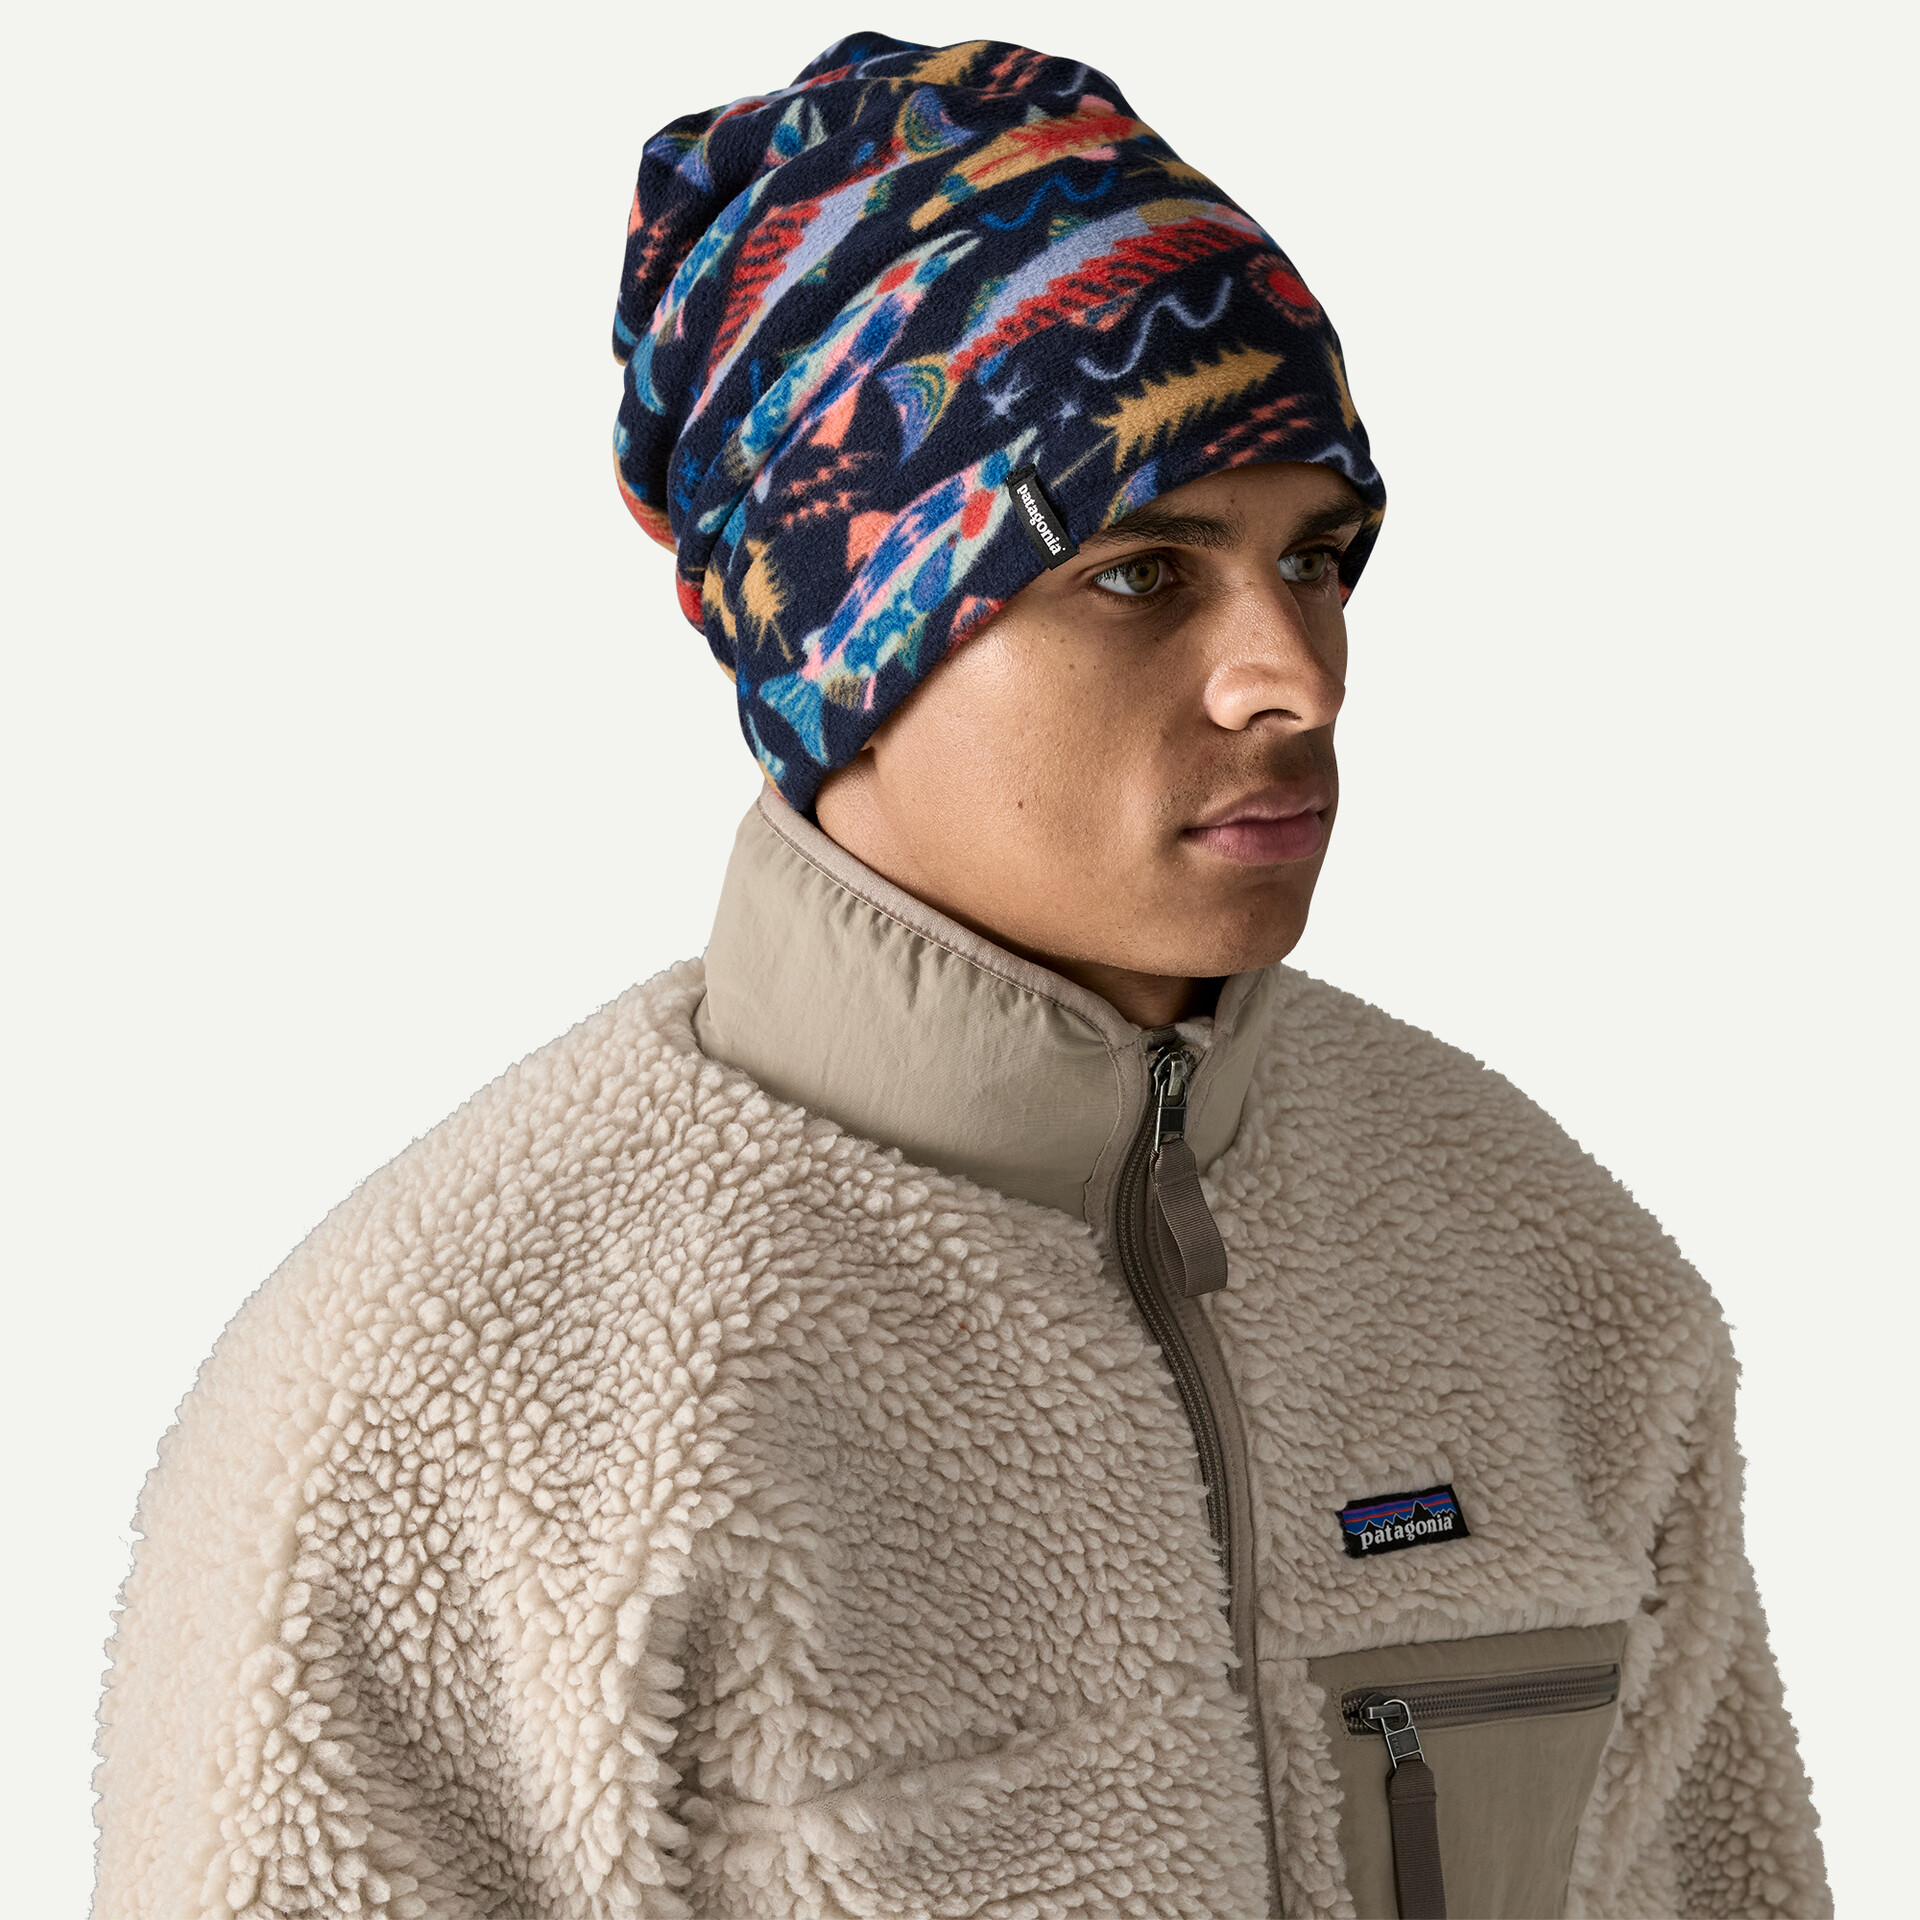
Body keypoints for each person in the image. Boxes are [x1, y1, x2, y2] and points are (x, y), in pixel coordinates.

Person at [92, 32, 1828, 1919]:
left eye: (1322, 560)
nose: (1293, 677)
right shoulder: (437, 1405)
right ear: (855, 640)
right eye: (1143, 573)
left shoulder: (1542, 1270)